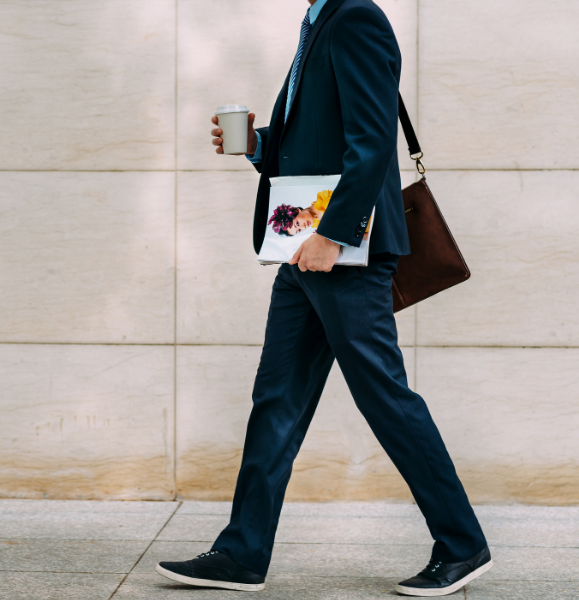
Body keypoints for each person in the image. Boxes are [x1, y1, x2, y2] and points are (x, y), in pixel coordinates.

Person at [155, 0, 492, 596]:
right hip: (302, 247)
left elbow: (370, 140)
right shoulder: (319, 20)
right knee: (277, 397)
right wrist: (260, 143)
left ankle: (463, 545)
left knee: (385, 396)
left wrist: (334, 235)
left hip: (342, 252)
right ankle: (242, 553)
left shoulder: (357, 17)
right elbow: (323, 136)